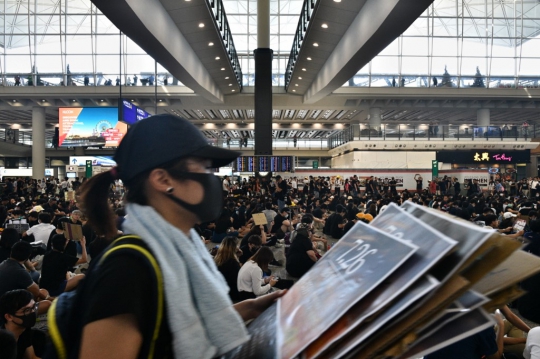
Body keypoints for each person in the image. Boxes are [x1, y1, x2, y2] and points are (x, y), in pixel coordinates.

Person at [77, 114, 284, 358]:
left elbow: (186, 324)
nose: (211, 179)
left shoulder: (183, 247)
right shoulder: (127, 268)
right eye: (202, 167)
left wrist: (252, 308)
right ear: (163, 180)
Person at [0, 289, 47, 359]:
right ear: (9, 317)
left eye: (34, 307)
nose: (33, 312)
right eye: (27, 310)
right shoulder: (3, 342)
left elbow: (31, 357)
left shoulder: (24, 330)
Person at [214, 236, 242, 302]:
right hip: (231, 294)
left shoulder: (217, 259)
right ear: (234, 247)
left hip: (219, 290)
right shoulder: (233, 263)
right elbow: (237, 280)